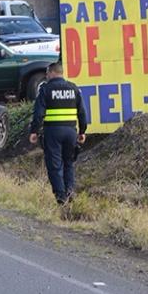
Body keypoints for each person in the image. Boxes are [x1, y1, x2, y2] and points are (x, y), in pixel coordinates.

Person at [29, 61, 88, 205]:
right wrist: (82, 131)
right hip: (70, 132)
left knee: (54, 164)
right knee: (68, 163)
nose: (47, 76)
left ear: (53, 73)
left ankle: (61, 196)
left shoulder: (46, 89)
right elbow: (82, 112)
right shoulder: (73, 89)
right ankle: (70, 191)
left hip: (53, 131)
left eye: (48, 73)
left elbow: (38, 113)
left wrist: (34, 131)